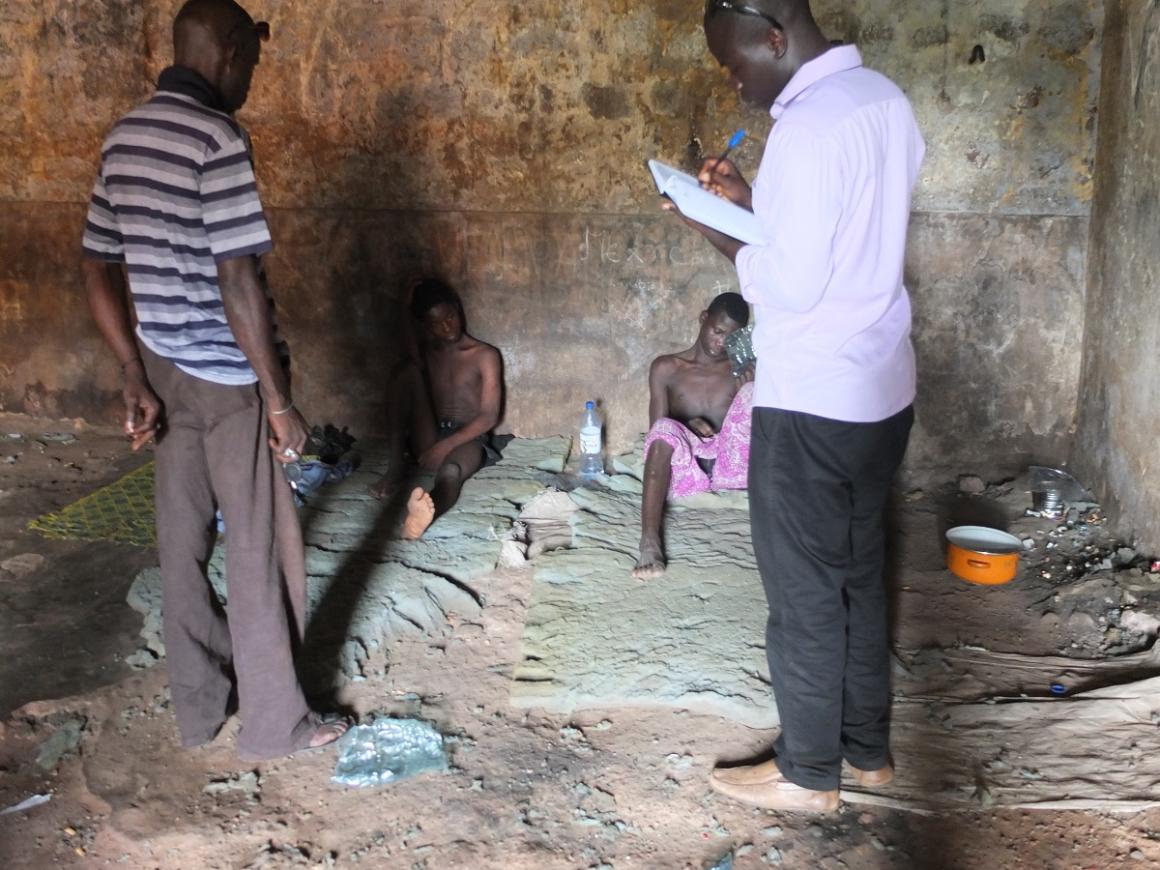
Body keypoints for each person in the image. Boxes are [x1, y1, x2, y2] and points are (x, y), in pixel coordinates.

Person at [666, 0, 925, 812]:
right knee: (858, 576)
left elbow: (790, 283)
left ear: (775, 37)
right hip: (880, 390)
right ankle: (866, 752)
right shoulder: (883, 99)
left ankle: (810, 771)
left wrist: (714, 227)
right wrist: (750, 203)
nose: (735, 82)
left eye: (736, 63)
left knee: (805, 589)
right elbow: (841, 236)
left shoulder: (809, 128)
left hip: (812, 400)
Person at [80, 0, 348, 760]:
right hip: (229, 378)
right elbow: (237, 280)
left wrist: (133, 370)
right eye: (251, 65)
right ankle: (276, 724)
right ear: (228, 51)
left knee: (181, 544)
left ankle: (200, 711)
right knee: (262, 548)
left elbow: (96, 264)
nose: (250, 80)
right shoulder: (216, 138)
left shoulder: (124, 136)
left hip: (163, 369)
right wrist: (279, 400)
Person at [370, 279, 503, 541]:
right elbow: (408, 336)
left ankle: (425, 513)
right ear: (425, 326)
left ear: (458, 310)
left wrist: (445, 447)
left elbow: (489, 416)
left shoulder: (485, 355)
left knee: (451, 472)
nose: (446, 327)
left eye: (450, 317)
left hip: (468, 438)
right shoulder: (428, 353)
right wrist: (406, 305)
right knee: (405, 372)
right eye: (435, 323)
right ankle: (395, 466)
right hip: (430, 432)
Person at [633, 292, 753, 580]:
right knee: (664, 430)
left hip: (731, 468)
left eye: (731, 337)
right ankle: (650, 542)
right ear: (703, 319)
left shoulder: (740, 371)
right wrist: (687, 426)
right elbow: (658, 432)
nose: (721, 342)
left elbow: (753, 431)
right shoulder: (667, 368)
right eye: (717, 331)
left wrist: (750, 393)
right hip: (686, 470)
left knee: (753, 393)